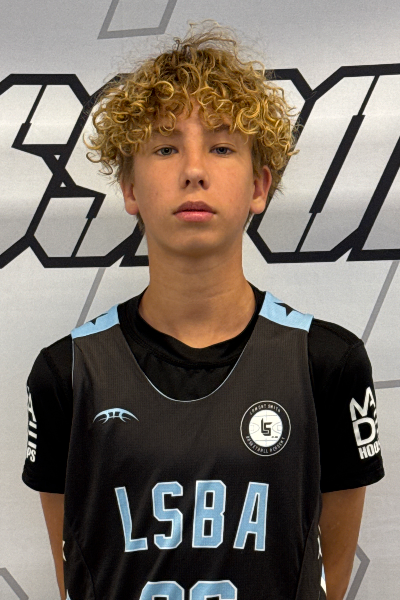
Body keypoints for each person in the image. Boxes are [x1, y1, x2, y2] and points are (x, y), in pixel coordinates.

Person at [22, 20, 384, 600]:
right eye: (166, 148)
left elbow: (327, 578)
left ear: (259, 186)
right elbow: (78, 573)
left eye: (221, 147)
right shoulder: (66, 373)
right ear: (131, 188)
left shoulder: (327, 363)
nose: (193, 169)